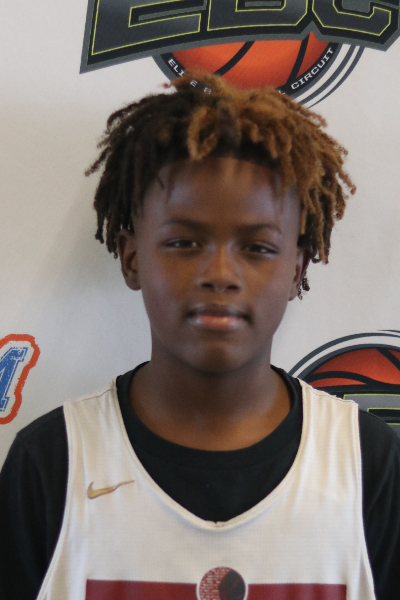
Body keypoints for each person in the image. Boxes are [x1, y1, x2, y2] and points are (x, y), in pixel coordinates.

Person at [1, 72, 400, 600]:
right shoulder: (52, 464)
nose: (220, 273)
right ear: (132, 258)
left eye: (257, 248)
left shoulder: (368, 464)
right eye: (184, 243)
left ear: (297, 268)